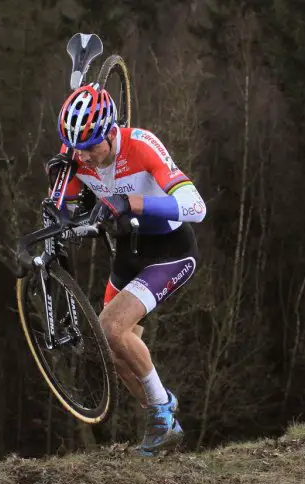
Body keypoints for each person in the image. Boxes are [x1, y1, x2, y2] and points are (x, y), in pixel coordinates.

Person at [45, 82, 207, 456]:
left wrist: (130, 202)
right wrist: (57, 200)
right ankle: (164, 419)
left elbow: (196, 207)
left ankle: (163, 413)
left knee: (110, 327)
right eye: (77, 149)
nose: (84, 157)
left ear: (109, 131)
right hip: (129, 254)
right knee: (110, 350)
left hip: (170, 252)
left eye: (91, 147)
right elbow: (63, 213)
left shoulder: (141, 144)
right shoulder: (76, 154)